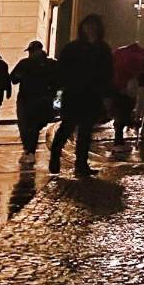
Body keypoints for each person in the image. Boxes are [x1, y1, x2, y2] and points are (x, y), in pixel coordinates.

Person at [49, 13, 113, 176]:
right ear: (82, 28)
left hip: (92, 95)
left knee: (86, 130)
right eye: (88, 25)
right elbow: (61, 72)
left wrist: (106, 96)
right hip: (73, 93)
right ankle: (55, 154)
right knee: (67, 126)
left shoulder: (103, 49)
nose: (91, 29)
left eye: (94, 25)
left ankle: (81, 164)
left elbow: (107, 74)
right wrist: (58, 95)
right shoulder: (72, 48)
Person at [10, 41, 57, 157]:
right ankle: (30, 148)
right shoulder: (51, 64)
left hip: (26, 98)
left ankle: (29, 148)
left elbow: (14, 79)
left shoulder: (25, 63)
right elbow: (58, 81)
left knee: (25, 124)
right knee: (35, 124)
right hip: (42, 98)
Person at [111, 41, 144, 146]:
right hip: (125, 94)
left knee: (120, 115)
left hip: (118, 91)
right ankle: (118, 139)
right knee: (123, 115)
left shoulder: (118, 62)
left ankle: (118, 137)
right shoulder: (131, 71)